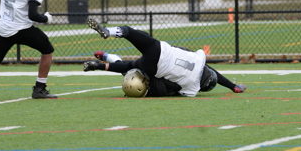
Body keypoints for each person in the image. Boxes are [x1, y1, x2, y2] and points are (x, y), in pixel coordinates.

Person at [84, 18, 247, 97]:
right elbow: (173, 90)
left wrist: (233, 86)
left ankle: (109, 32)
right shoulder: (192, 89)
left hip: (160, 50)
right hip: (155, 68)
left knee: (129, 32)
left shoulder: (199, 59)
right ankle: (99, 65)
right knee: (129, 68)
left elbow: (213, 72)